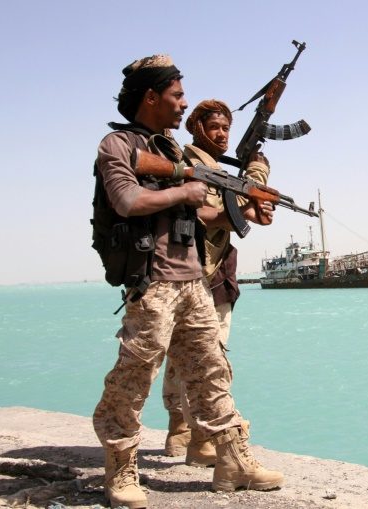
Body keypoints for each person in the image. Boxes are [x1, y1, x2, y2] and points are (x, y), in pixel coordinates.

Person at [92, 55, 283, 509]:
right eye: (177, 96)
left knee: (212, 372)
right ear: (151, 97)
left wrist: (247, 207)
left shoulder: (175, 151)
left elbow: (201, 213)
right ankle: (120, 467)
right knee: (135, 375)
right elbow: (126, 200)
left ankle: (232, 460)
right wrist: (184, 188)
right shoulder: (117, 144)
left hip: (193, 279)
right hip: (153, 283)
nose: (183, 104)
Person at [162, 99, 272, 467]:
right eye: (214, 127)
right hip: (203, 273)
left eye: (226, 128)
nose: (222, 134)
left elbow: (237, 205)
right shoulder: (190, 166)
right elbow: (204, 213)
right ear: (197, 129)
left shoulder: (208, 167)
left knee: (181, 356)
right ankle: (202, 437)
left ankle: (179, 428)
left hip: (203, 269)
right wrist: (257, 176)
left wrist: (255, 186)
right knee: (211, 357)